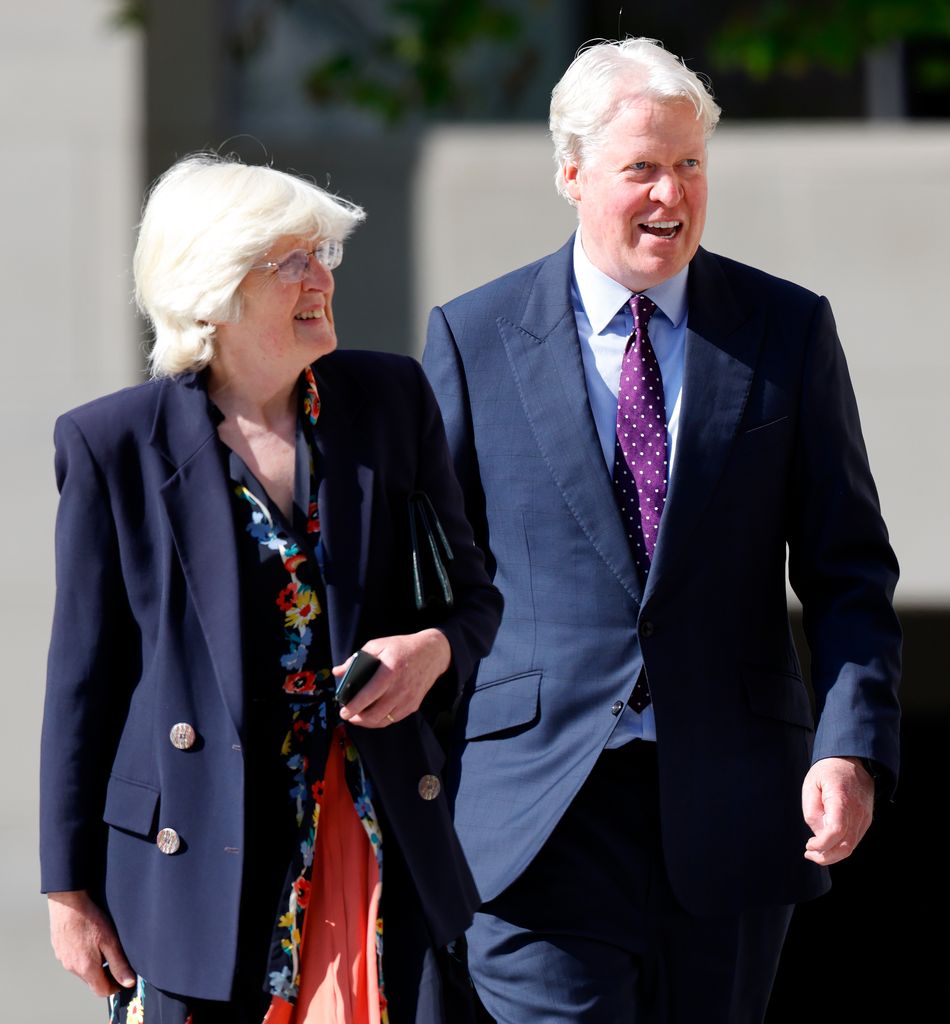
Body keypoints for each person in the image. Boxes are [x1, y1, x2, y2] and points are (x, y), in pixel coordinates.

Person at [421, 36, 901, 1024]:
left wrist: (850, 747)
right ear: (569, 172)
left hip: (730, 809)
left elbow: (847, 570)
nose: (669, 196)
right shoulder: (471, 339)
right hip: (536, 815)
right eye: (640, 167)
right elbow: (427, 577)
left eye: (688, 166)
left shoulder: (783, 329)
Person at [40, 152, 503, 1024]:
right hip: (195, 850)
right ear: (211, 285)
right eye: (288, 261)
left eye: (322, 255)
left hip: (372, 824)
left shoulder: (390, 398)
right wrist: (67, 892)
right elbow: (83, 687)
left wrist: (429, 651)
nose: (319, 278)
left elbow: (474, 599)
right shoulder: (112, 448)